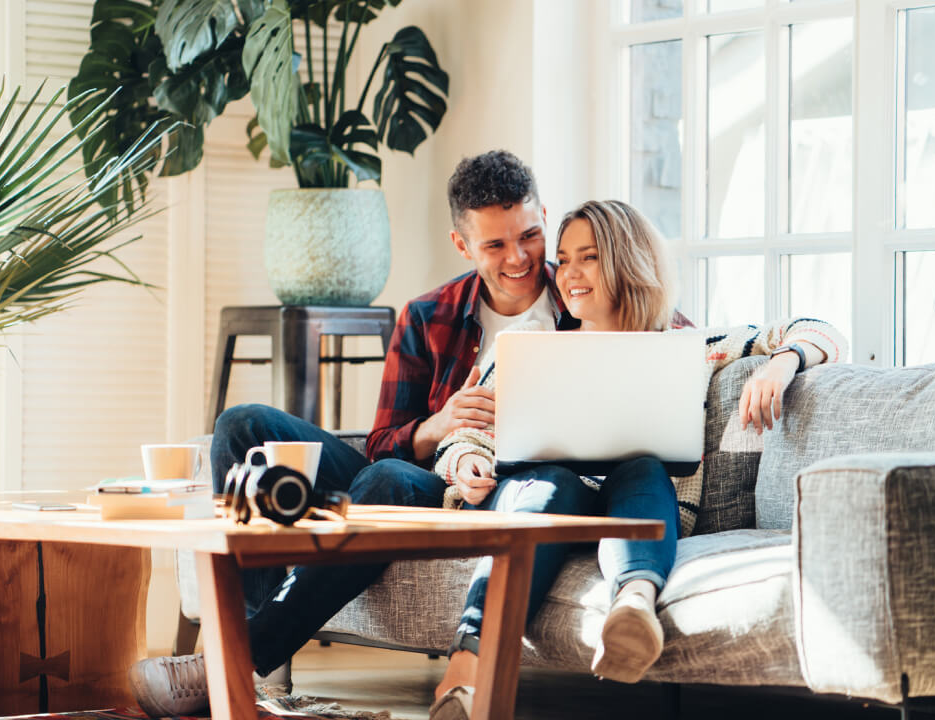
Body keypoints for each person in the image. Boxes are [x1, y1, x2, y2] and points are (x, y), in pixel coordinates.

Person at [127, 150, 597, 717]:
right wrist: (440, 423)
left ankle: (237, 660)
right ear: (462, 245)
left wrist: (739, 360)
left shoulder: (585, 295)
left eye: (529, 236)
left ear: (543, 217)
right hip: (418, 474)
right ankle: (263, 659)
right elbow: (381, 440)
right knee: (244, 426)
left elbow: (671, 324)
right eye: (495, 246)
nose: (518, 258)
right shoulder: (428, 315)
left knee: (389, 478)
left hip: (488, 494)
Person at [426, 200, 847, 719]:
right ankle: (467, 668)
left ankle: (633, 608)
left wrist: (782, 364)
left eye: (589, 257)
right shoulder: (525, 347)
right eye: (564, 258)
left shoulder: (689, 347)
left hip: (631, 504)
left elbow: (819, 329)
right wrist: (465, 465)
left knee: (644, 466)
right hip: (541, 501)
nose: (568, 274)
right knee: (552, 481)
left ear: (626, 261)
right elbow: (463, 436)